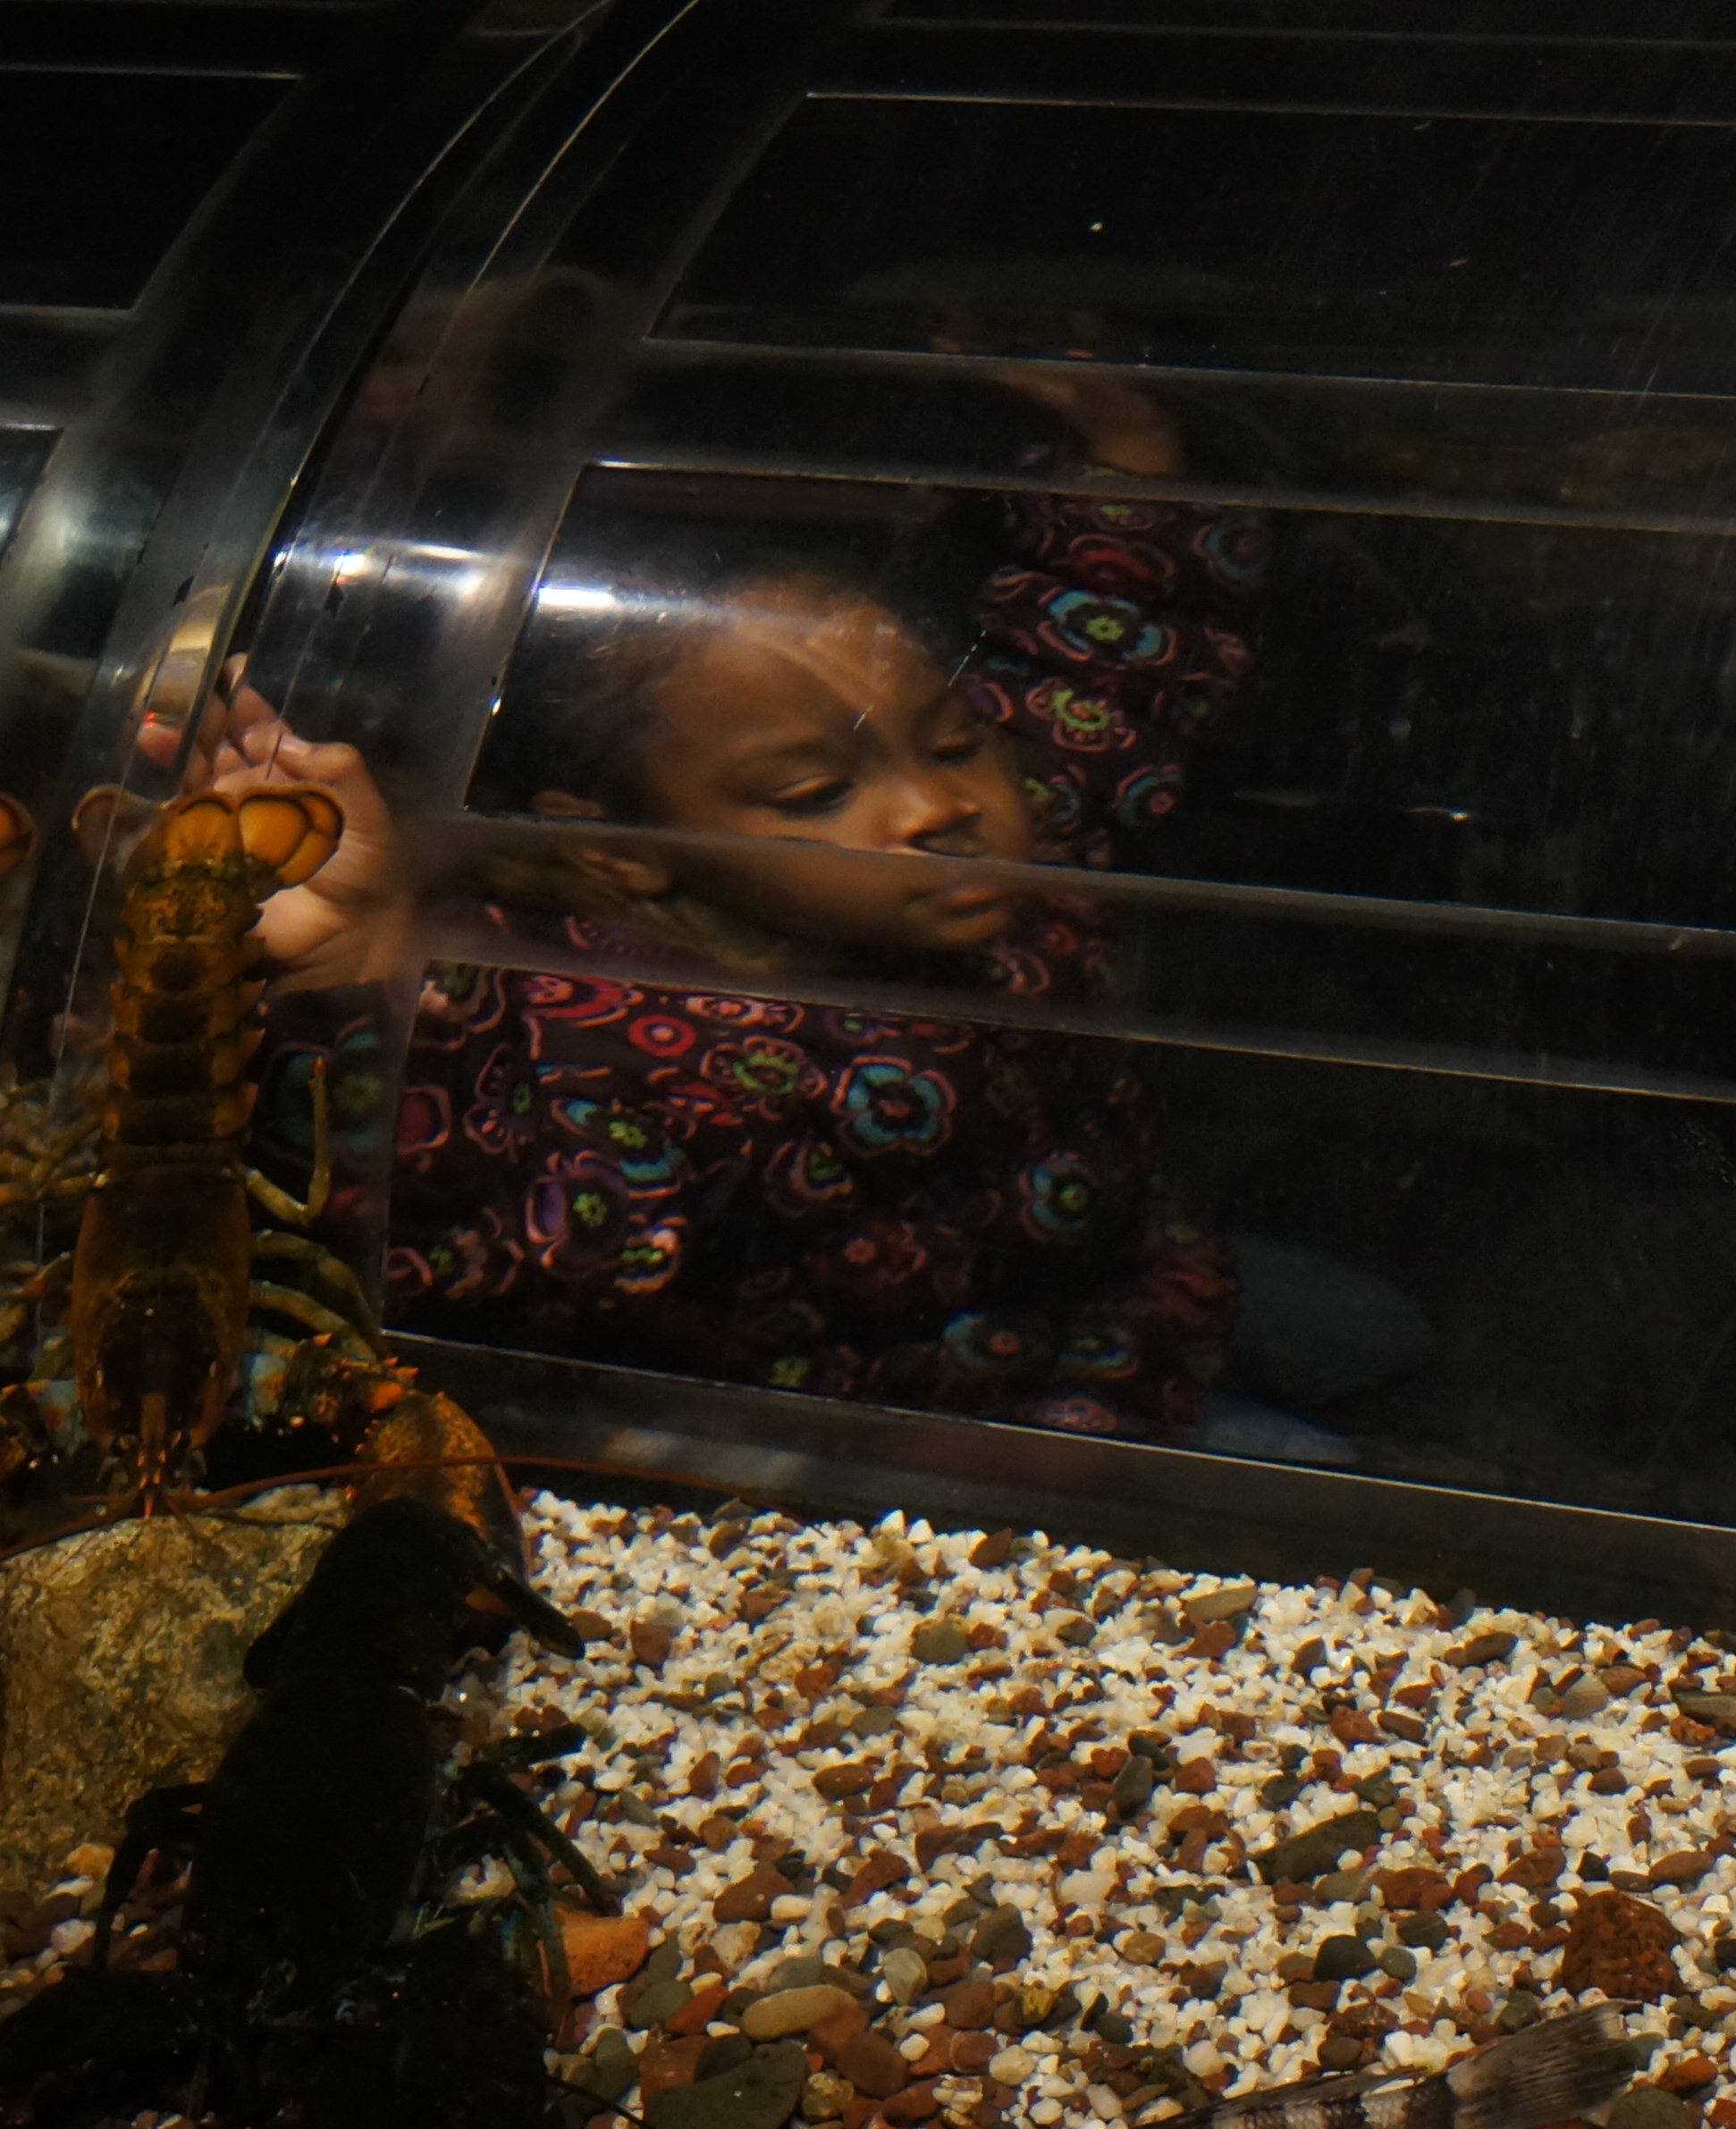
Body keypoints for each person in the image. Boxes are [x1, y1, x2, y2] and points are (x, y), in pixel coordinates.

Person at [390, 383, 1265, 1439]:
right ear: (620, 848)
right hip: (921, 1435)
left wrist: (1125, 453)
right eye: (816, 794)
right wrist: (356, 954)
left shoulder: (1011, 842)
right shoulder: (611, 1040)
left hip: (1133, 1295)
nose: (939, 807)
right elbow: (495, 1215)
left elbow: (1092, 670)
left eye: (953, 742)